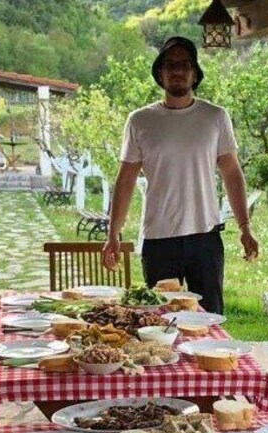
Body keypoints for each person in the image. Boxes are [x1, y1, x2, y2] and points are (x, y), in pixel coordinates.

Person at [101, 36, 259, 314]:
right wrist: (112, 233)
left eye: (184, 64)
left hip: (205, 239)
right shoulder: (140, 120)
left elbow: (232, 173)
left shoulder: (215, 117)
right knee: (162, 320)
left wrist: (245, 227)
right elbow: (125, 181)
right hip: (159, 239)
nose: (177, 70)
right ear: (160, 74)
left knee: (209, 320)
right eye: (170, 64)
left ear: (194, 73)